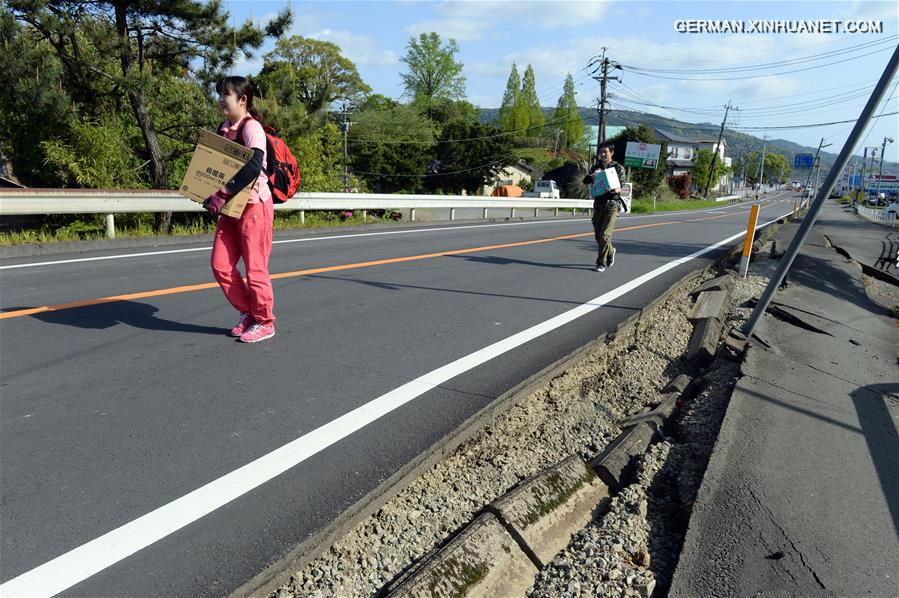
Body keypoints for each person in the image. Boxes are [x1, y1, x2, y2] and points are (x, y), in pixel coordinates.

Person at [205, 76, 276, 343]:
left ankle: (265, 321)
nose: (221, 99)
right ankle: (249, 312)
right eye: (219, 94)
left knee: (255, 268)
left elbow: (254, 164)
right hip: (230, 207)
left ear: (243, 99)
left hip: (254, 205)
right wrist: (206, 193)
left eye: (226, 94)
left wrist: (222, 192)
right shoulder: (224, 127)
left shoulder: (251, 127)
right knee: (220, 265)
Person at [582, 142, 626, 272]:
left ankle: (600, 263)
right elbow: (586, 181)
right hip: (598, 204)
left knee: (604, 236)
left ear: (611, 152)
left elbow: (620, 186)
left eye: (605, 152)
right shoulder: (596, 168)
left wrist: (613, 189)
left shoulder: (618, 168)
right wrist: (592, 177)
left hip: (612, 205)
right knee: (598, 236)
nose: (602, 154)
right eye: (600, 152)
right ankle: (611, 250)